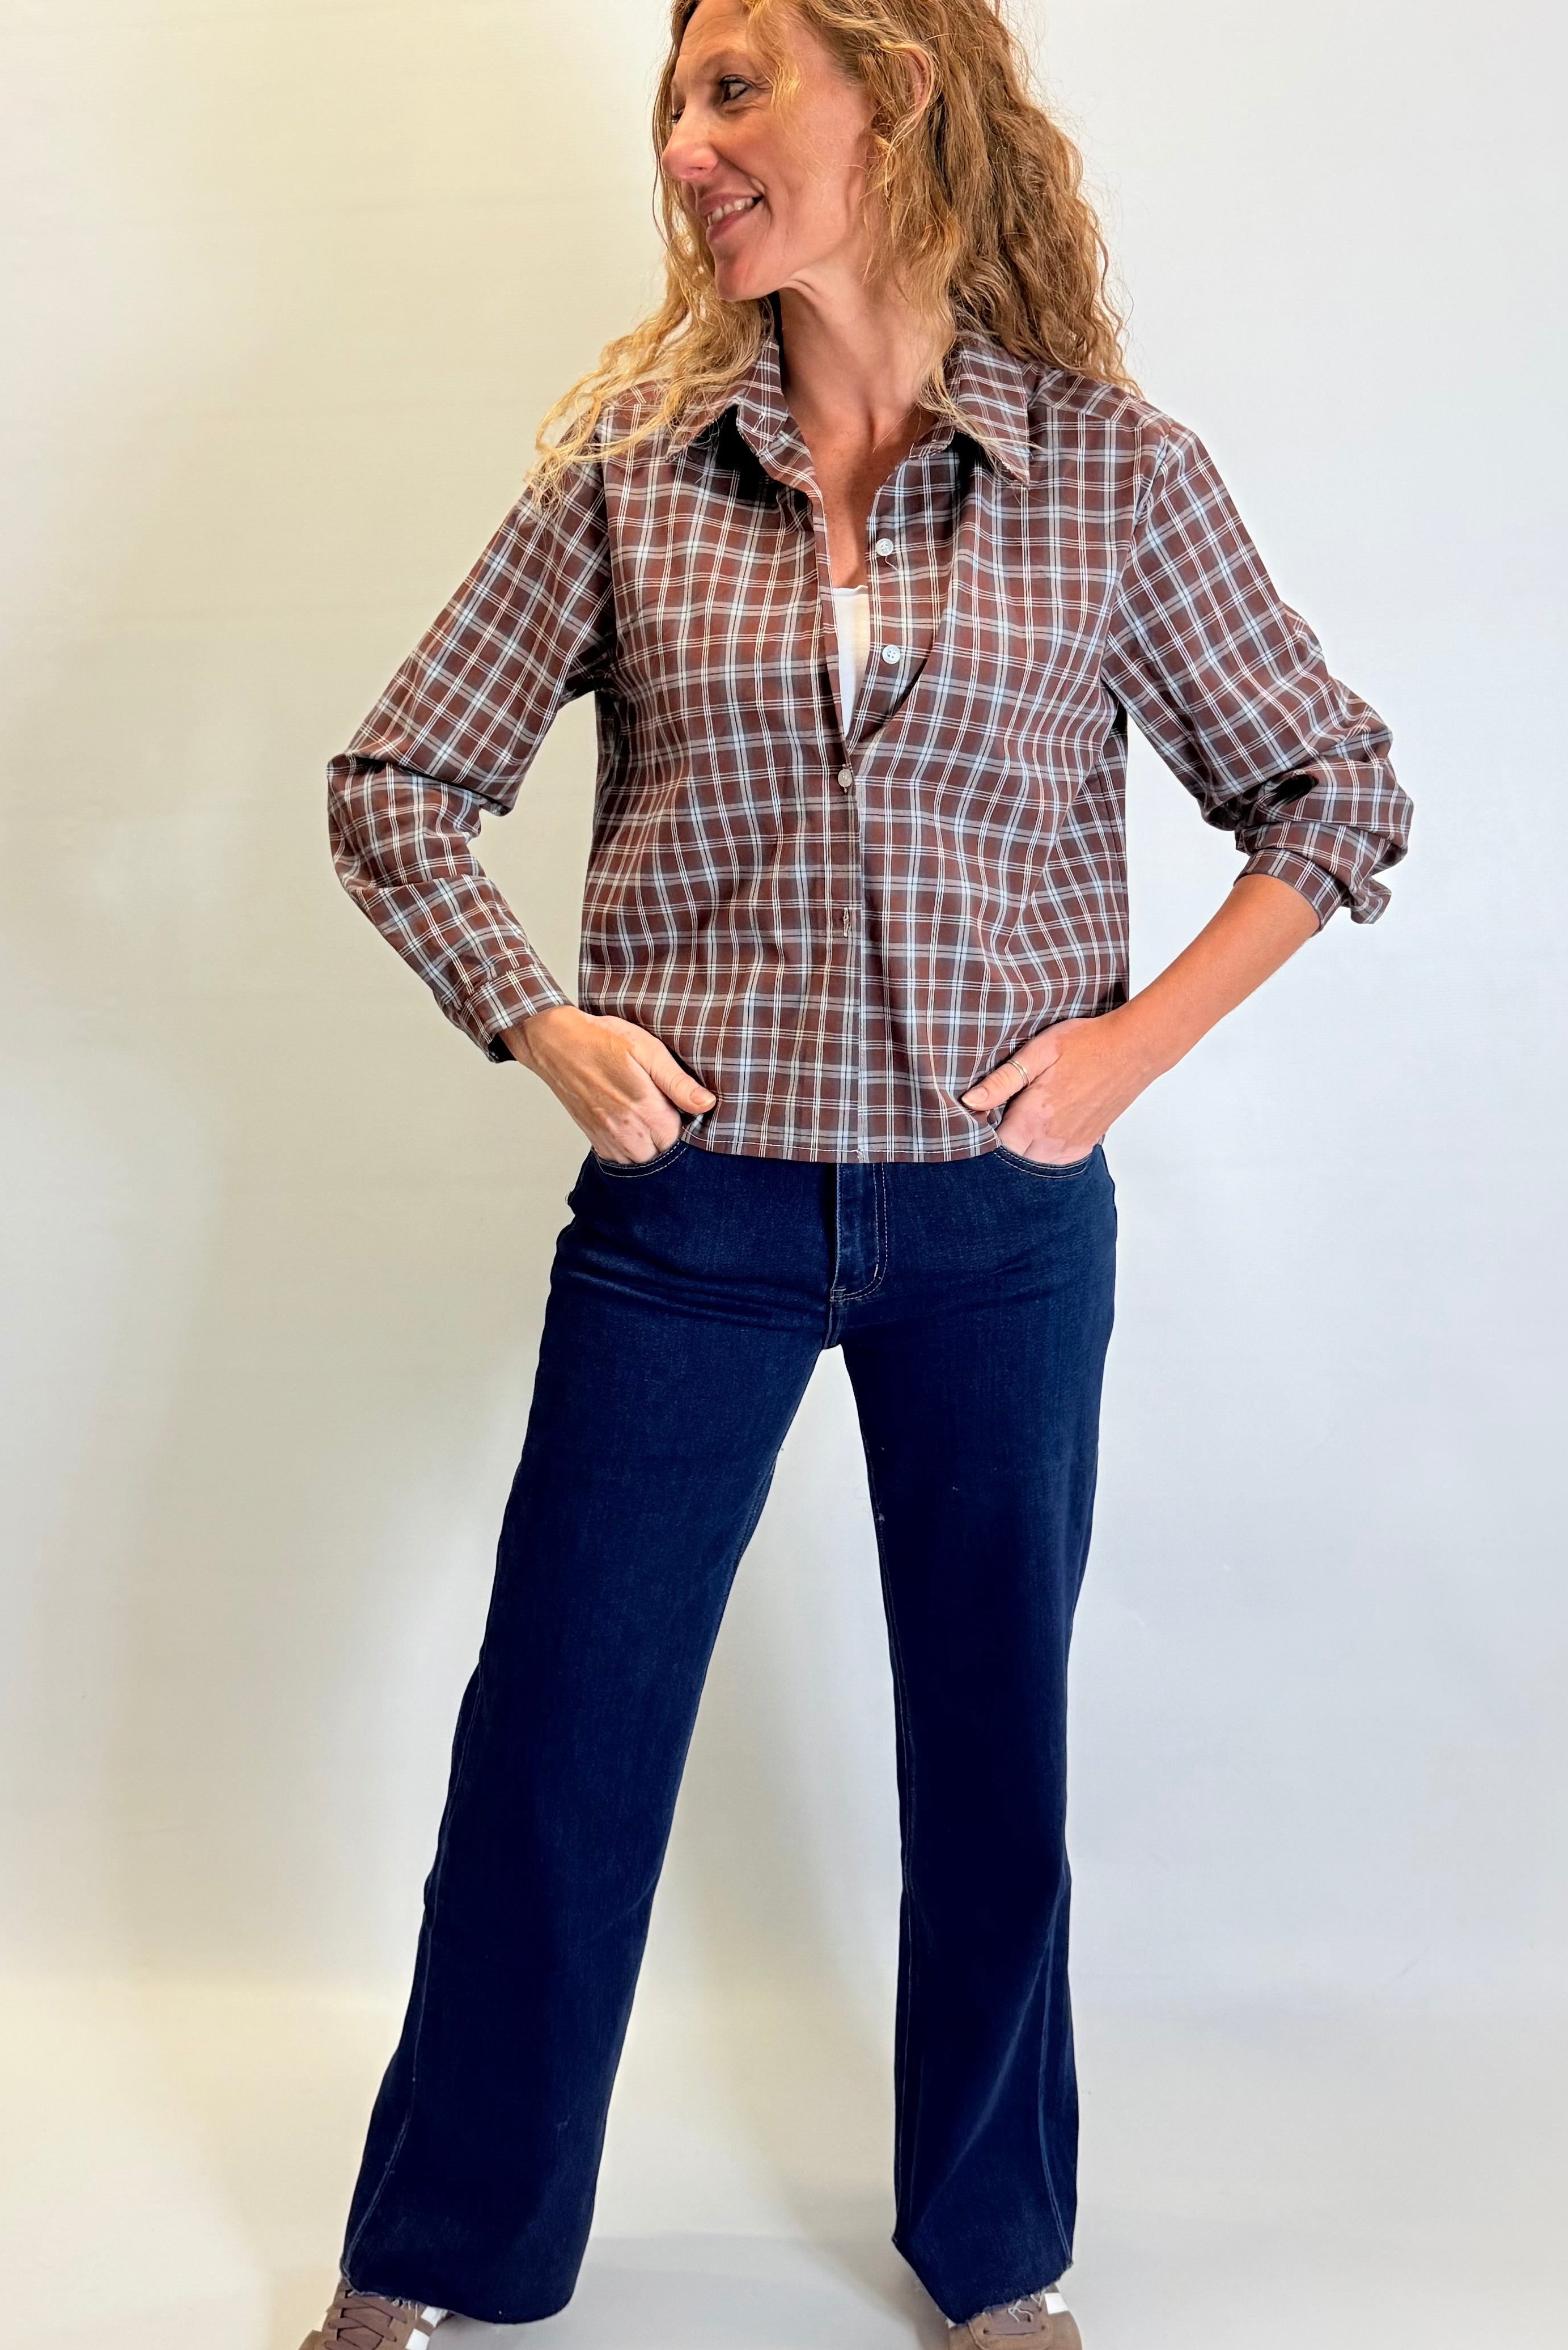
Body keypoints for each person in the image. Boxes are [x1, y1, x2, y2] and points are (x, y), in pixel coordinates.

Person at [304, 0, 1410, 2343]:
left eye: (734, 91)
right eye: (671, 111)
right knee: (560, 1729)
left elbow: (1335, 794)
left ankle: (994, 2252)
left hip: (997, 1230)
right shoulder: (629, 466)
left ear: (892, 95)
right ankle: (436, 2248)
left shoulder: (1111, 476)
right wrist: (535, 1011)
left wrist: (1125, 1049)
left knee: (991, 1735)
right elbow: (399, 778)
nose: (688, 151)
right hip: (687, 1224)